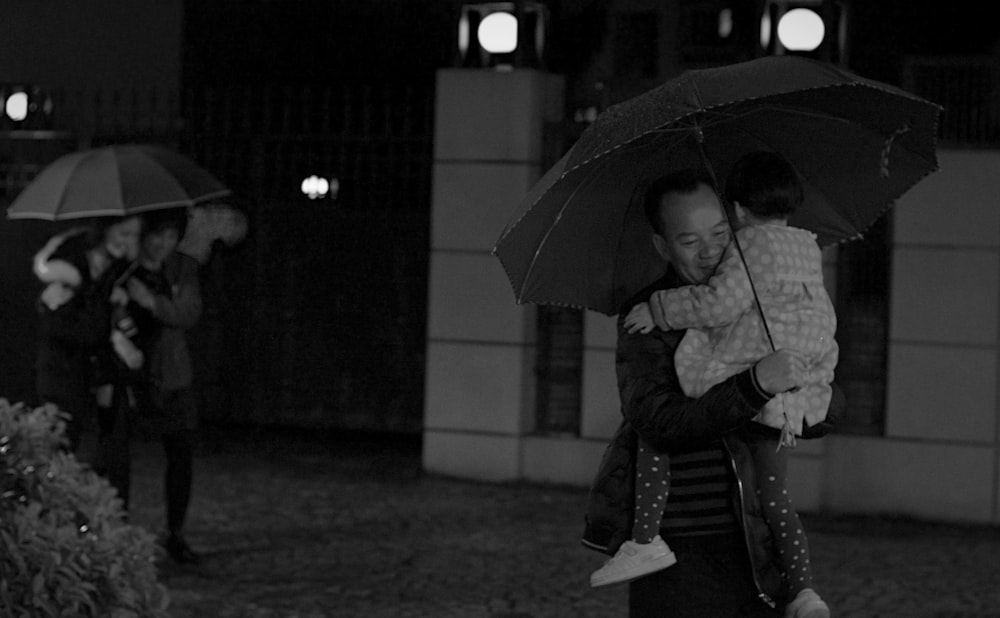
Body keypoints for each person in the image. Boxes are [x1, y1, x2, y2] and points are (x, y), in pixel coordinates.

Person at [582, 169, 841, 618]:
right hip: (677, 546)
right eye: (690, 241)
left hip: (752, 540)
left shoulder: (769, 299)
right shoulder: (647, 316)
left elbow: (829, 408)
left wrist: (800, 384)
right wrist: (755, 384)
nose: (710, 251)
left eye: (720, 233)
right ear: (663, 246)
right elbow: (657, 420)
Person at [127, 208, 204, 564]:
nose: (163, 244)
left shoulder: (182, 267)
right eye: (158, 235)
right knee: (117, 455)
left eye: (172, 236)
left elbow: (187, 312)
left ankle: (175, 532)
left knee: (181, 453)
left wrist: (151, 301)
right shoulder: (127, 266)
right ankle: (116, 531)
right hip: (132, 373)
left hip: (173, 375)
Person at [33, 216, 142, 452]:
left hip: (95, 375)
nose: (129, 241)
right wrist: (102, 311)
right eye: (124, 233)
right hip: (61, 375)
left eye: (135, 235)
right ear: (105, 230)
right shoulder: (66, 271)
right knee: (60, 449)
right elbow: (67, 329)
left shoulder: (117, 272)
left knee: (106, 449)